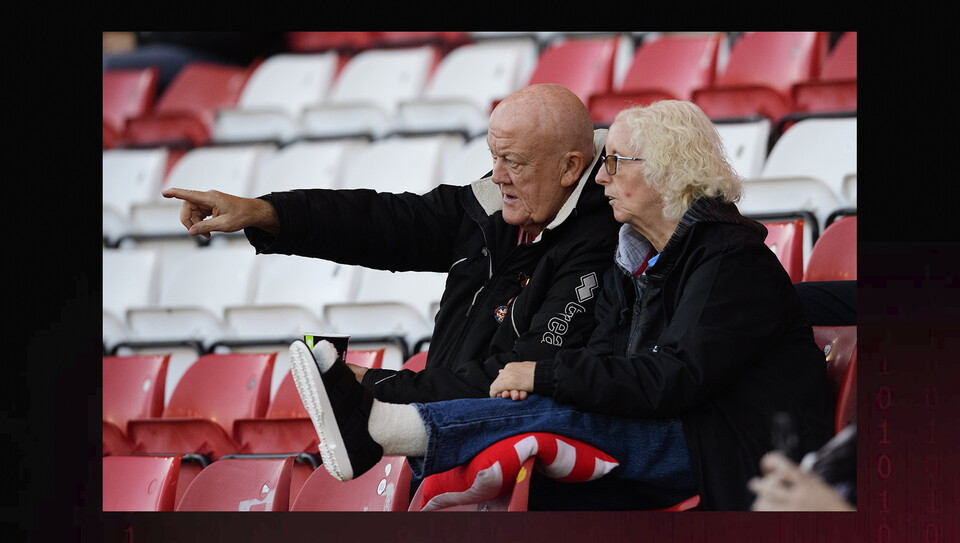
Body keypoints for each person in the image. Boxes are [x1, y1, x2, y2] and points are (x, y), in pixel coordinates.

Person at [283, 100, 834, 511]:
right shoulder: (633, 257)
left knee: (557, 412)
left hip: (734, 452)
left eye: (616, 162)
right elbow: (606, 357)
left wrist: (546, 374)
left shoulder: (731, 259)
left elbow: (673, 379)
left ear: (667, 169)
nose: (602, 176)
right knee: (553, 421)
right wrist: (548, 377)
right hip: (671, 427)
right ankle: (381, 425)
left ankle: (380, 427)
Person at [162, 83, 622, 404]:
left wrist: (380, 387)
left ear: (569, 167)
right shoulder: (498, 202)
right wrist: (267, 212)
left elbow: (524, 374)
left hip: (515, 461)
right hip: (450, 437)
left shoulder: (604, 243)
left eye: (513, 162)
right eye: (493, 157)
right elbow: (382, 222)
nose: (496, 176)